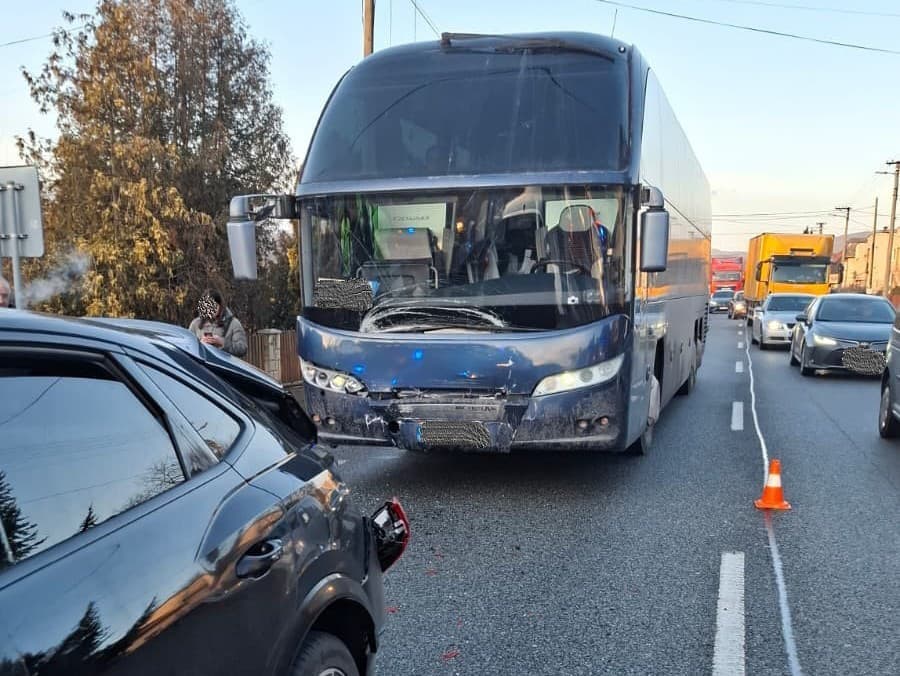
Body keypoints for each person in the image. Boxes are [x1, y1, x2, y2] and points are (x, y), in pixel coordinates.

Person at [188, 290, 247, 357]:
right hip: (200, 366)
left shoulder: (233, 323)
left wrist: (222, 343)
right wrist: (200, 344)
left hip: (223, 366)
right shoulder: (195, 323)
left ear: (220, 305)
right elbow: (187, 347)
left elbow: (242, 349)